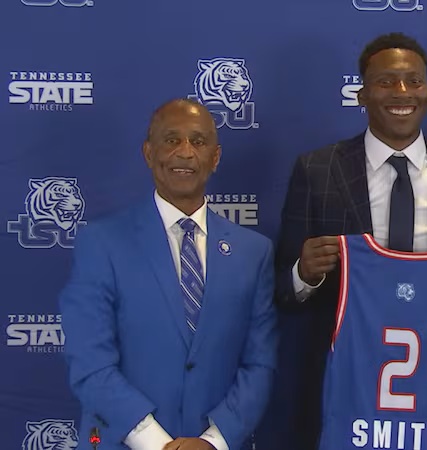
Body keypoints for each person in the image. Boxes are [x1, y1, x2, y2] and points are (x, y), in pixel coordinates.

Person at [274, 32, 427, 450]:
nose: (402, 92)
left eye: (414, 81)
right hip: (350, 390)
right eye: (386, 82)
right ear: (362, 94)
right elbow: (281, 289)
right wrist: (303, 274)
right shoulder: (317, 169)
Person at [59, 99, 278, 450]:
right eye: (172, 140)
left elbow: (259, 364)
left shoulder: (254, 252)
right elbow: (90, 363)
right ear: (149, 153)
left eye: (198, 141)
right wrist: (157, 443)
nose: (185, 152)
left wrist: (213, 441)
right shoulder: (101, 244)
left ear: (215, 157)